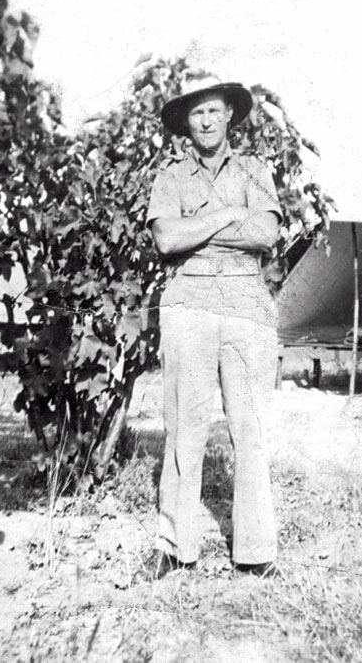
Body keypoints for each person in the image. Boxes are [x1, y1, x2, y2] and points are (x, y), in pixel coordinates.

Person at [145, 76, 282, 579]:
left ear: (229, 116)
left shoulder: (254, 170)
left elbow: (266, 231)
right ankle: (175, 547)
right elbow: (166, 240)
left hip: (247, 308)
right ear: (187, 122)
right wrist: (229, 215)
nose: (205, 121)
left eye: (213, 111)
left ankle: (256, 552)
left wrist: (198, 230)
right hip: (189, 304)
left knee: (252, 431)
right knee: (185, 429)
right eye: (196, 113)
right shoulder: (171, 177)